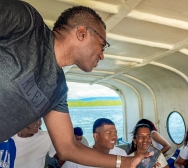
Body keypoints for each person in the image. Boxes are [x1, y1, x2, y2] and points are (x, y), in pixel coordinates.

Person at [0, 1, 149, 167]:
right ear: (82, 33)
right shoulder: (27, 23)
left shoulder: (58, 90)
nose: (102, 56)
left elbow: (68, 147)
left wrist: (126, 163)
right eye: (102, 45)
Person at [62, 118, 127, 168]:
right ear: (96, 136)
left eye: (115, 133)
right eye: (109, 133)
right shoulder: (78, 157)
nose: (114, 137)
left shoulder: (121, 154)